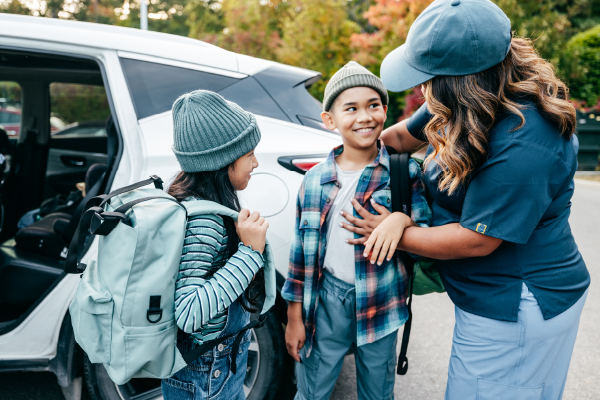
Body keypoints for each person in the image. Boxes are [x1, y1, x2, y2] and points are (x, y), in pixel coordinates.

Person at [341, 1, 591, 399]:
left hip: (517, 306)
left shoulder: (529, 140)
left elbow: (478, 239)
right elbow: (399, 138)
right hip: (488, 300)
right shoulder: (468, 97)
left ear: (457, 81)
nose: (422, 89)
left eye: (427, 79)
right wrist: (344, 159)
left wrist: (395, 230)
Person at [282, 61, 431, 400]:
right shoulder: (314, 180)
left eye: (373, 105)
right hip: (326, 299)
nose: (365, 116)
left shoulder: (403, 172)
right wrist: (294, 317)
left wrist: (401, 220)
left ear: (384, 110)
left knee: (377, 392)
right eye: (351, 108)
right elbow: (299, 254)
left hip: (382, 298)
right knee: (312, 388)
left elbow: (425, 235)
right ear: (330, 120)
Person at [161, 90, 268, 400]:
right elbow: (190, 312)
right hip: (205, 372)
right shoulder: (204, 222)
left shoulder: (198, 204)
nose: (256, 162)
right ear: (222, 160)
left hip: (212, 364)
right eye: (249, 154)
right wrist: (249, 253)